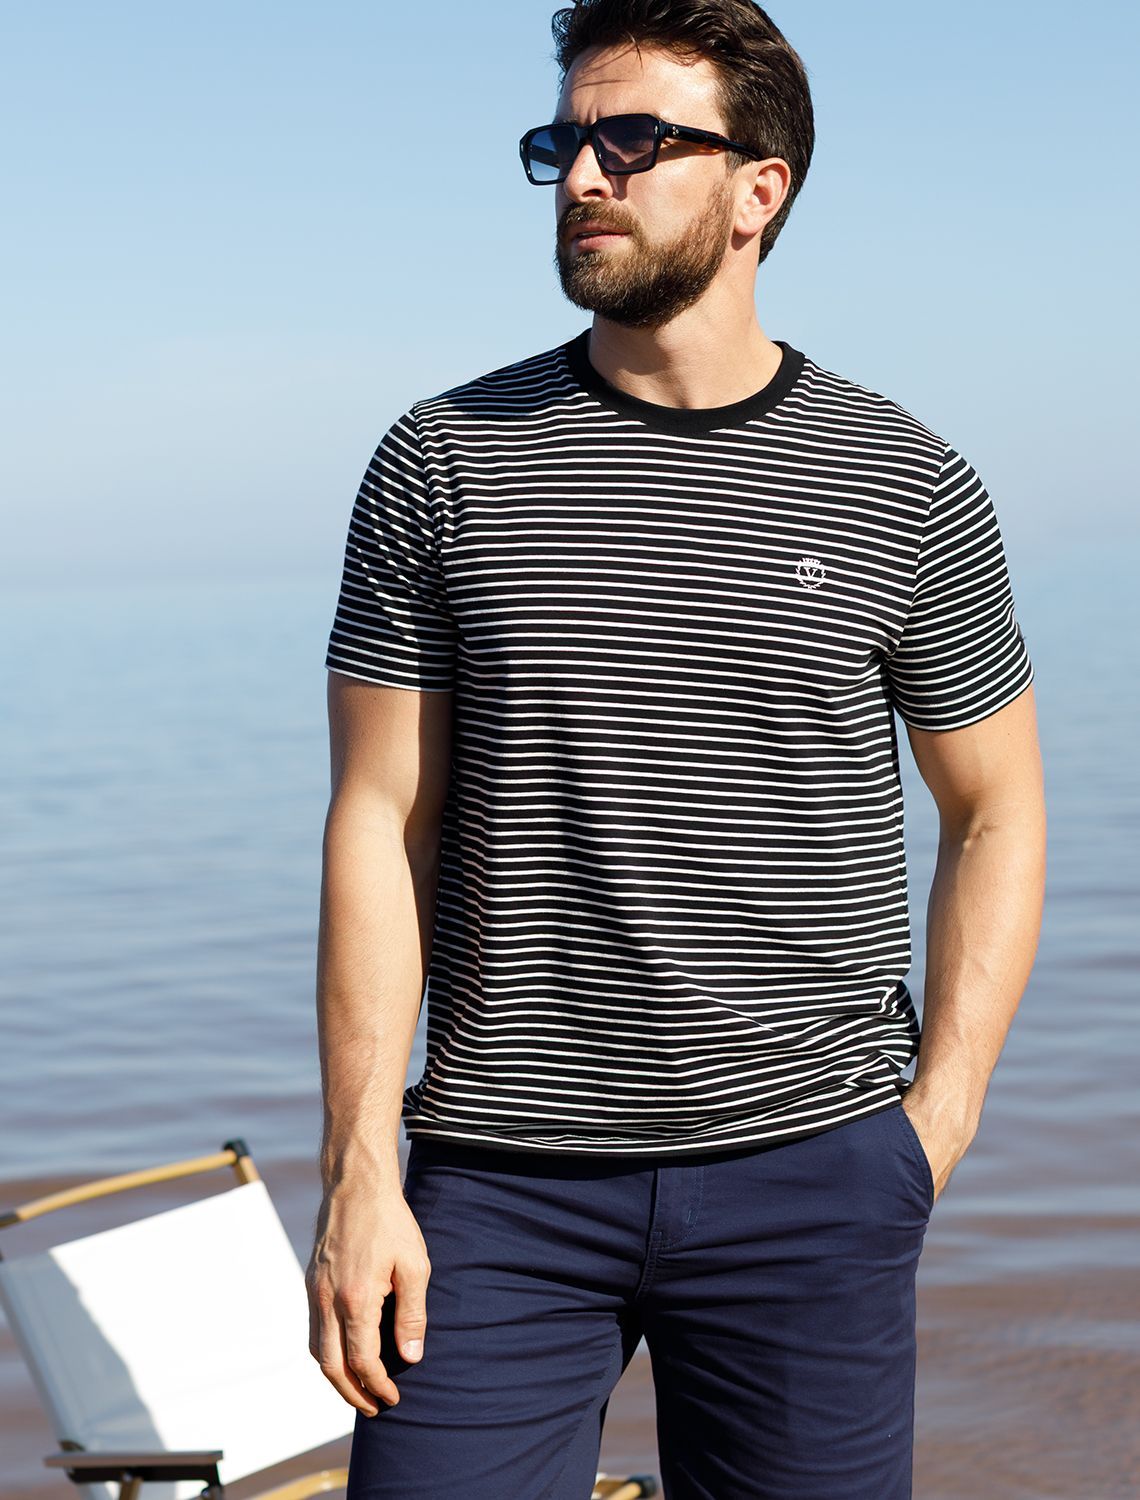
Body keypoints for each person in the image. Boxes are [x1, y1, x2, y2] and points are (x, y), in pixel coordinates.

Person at [306, 2, 1047, 1496]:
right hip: (498, 1192)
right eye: (565, 142)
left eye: (635, 141)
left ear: (759, 189)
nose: (585, 176)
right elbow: (380, 819)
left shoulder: (905, 479)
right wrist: (360, 1165)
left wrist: (938, 1119)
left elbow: (995, 811)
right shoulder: (443, 459)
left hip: (815, 1177)